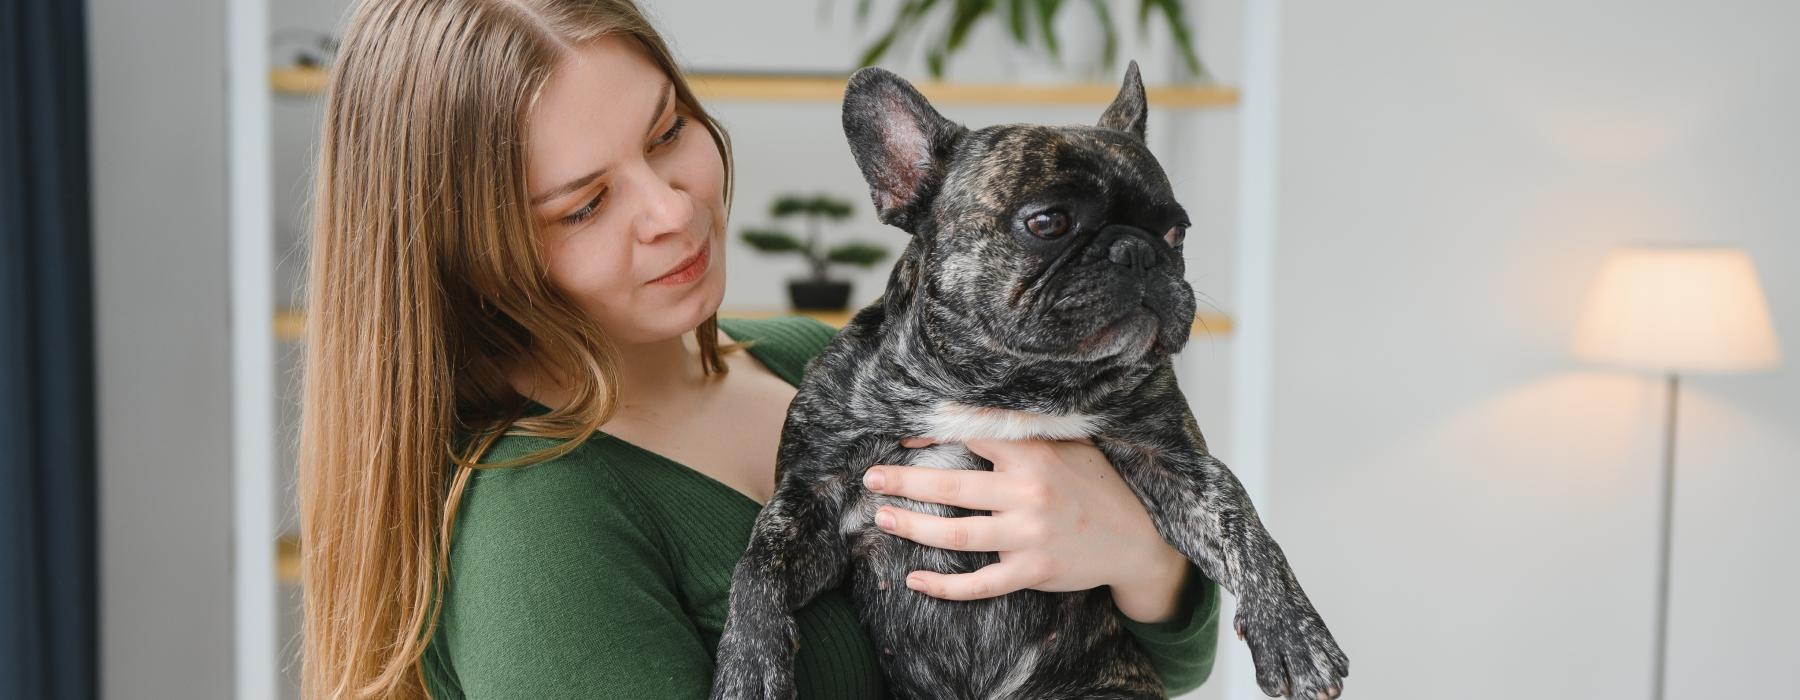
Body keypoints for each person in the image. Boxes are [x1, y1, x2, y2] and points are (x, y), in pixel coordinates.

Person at [297, 1, 1223, 698]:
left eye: (668, 133)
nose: (669, 210)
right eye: (582, 206)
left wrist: (1144, 555)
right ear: (468, 256)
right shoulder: (536, 521)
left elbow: (1151, 664)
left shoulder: (808, 361)